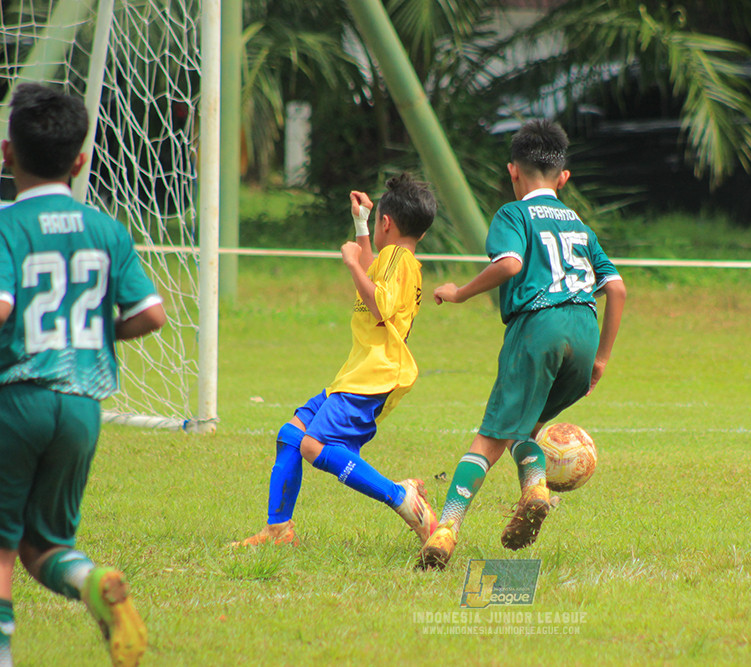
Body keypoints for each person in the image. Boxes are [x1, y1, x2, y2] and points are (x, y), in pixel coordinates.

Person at [0, 83, 166, 667]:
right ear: (80, 161)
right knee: (44, 544)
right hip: (82, 405)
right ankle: (95, 583)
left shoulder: (5, 224)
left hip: (16, 396)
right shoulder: (108, 230)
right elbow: (151, 314)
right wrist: (95, 333)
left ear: (6, 153)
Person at [418, 119, 627, 570]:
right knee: (525, 428)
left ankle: (445, 530)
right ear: (564, 178)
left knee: (487, 440)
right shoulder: (580, 228)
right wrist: (602, 360)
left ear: (513, 171)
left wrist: (459, 293)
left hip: (539, 329)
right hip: (585, 333)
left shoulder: (513, 215)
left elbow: (510, 264)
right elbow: (618, 289)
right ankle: (534, 484)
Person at [233, 174, 439, 550]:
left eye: (375, 221)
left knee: (313, 447)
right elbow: (372, 271)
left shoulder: (401, 261)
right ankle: (278, 533)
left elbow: (377, 302)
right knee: (291, 436)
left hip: (375, 376)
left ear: (387, 223)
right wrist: (361, 224)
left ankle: (401, 497)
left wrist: (350, 265)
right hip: (358, 374)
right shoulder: (396, 259)